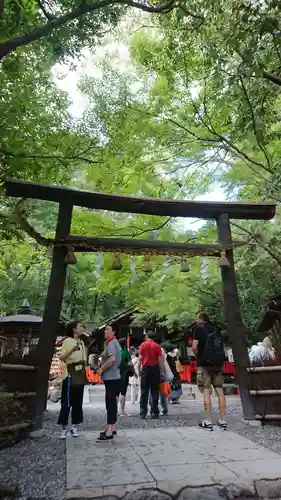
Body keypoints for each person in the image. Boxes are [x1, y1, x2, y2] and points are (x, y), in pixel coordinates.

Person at [192, 312, 227, 431]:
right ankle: (223, 420)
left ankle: (208, 421)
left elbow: (194, 347)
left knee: (206, 391)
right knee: (220, 390)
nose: (196, 320)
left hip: (204, 364)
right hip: (217, 364)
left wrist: (199, 356)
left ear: (201, 319)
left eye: (197, 318)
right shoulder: (216, 328)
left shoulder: (198, 329)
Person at [58, 321, 88, 439]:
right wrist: (72, 350)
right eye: (80, 326)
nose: (82, 328)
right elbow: (62, 357)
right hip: (69, 374)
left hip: (80, 374)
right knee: (67, 402)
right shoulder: (67, 341)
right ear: (74, 329)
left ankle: (74, 427)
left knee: (78, 402)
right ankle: (64, 428)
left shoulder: (82, 342)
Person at [97, 324, 121, 442]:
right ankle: (112, 427)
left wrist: (102, 368)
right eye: (105, 329)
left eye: (108, 329)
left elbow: (112, 359)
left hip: (111, 377)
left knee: (110, 404)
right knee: (112, 403)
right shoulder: (113, 343)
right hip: (114, 377)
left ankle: (109, 431)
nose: (105, 331)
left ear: (114, 331)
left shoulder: (111, 343)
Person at [139, 331, 164, 419]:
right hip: (154, 369)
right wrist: (162, 371)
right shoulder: (157, 346)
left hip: (145, 369)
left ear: (147, 336)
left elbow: (140, 358)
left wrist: (139, 369)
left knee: (144, 391)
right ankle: (154, 412)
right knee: (154, 391)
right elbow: (160, 360)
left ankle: (143, 412)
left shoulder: (143, 345)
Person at [118, 337, 133, 415]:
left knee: (116, 393)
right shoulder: (126, 352)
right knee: (123, 393)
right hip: (124, 374)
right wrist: (134, 373)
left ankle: (115, 411)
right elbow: (130, 364)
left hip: (116, 375)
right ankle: (122, 411)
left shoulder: (117, 352)